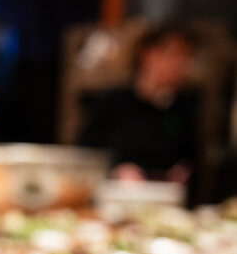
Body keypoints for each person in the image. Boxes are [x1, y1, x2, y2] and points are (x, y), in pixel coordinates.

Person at [79, 23, 199, 184]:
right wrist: (116, 170)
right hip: (115, 193)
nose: (180, 64)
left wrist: (183, 171)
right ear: (147, 54)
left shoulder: (182, 108)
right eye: (173, 54)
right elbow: (85, 152)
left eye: (185, 56)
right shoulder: (115, 101)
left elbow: (193, 159)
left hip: (165, 198)